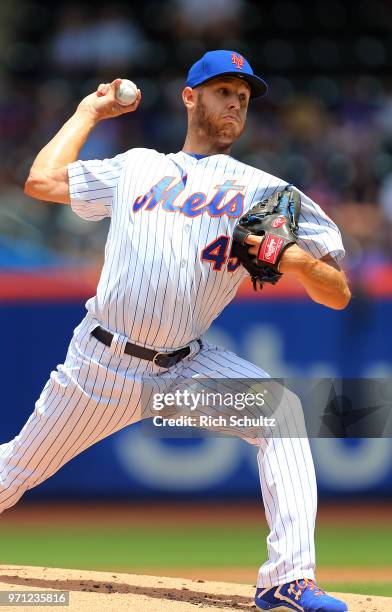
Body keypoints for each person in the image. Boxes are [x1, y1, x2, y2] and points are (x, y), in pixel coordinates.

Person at [3, 50, 350, 612]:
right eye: (222, 90)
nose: (235, 101)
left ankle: (286, 580)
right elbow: (41, 181)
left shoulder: (267, 192)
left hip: (183, 370)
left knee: (281, 413)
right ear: (190, 97)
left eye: (243, 95)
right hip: (99, 366)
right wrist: (89, 113)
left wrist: (303, 264)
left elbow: (338, 294)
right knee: (14, 472)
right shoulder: (138, 164)